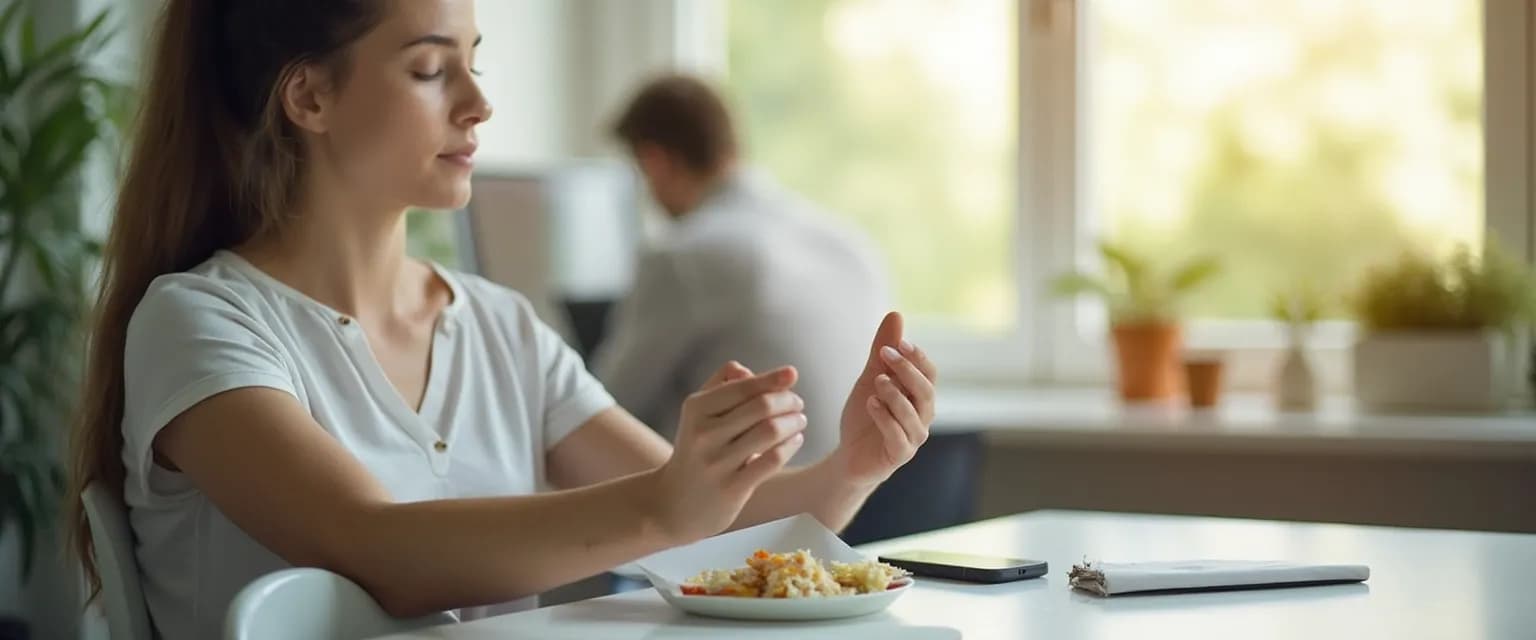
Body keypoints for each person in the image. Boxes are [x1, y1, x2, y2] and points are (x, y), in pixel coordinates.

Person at [64, 2, 938, 639]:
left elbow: (713, 521)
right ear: (310, 99)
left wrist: (850, 466)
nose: (479, 104)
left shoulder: (500, 326)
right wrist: (666, 507)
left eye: (474, 61)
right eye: (431, 68)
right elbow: (379, 552)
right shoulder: (198, 323)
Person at [596, 75, 891, 463]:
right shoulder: (848, 242)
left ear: (655, 161)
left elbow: (605, 409)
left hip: (740, 512)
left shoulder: (682, 257)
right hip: (847, 508)